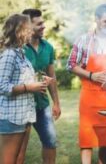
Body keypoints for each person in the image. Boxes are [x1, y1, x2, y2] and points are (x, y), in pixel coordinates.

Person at [67, 4, 106, 164]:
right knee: (86, 137)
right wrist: (92, 75)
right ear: (96, 20)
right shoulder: (84, 39)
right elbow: (71, 64)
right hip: (89, 96)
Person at [0, 14, 48, 164]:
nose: (31, 32)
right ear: (19, 31)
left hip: (23, 116)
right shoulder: (9, 55)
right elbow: (2, 86)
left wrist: (38, 82)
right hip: (11, 117)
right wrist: (29, 87)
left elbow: (19, 79)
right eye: (28, 29)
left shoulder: (20, 54)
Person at [17, 9, 61, 164]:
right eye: (39, 24)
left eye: (43, 22)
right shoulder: (18, 48)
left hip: (42, 105)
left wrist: (56, 102)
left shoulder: (48, 47)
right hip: (22, 106)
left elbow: (51, 76)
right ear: (28, 26)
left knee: (50, 141)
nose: (43, 26)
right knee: (20, 149)